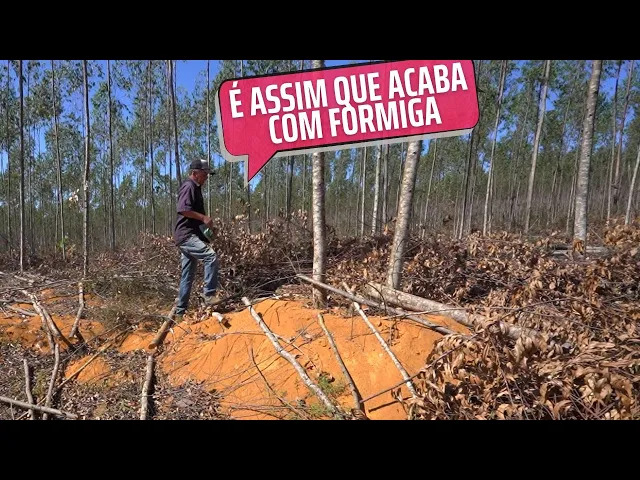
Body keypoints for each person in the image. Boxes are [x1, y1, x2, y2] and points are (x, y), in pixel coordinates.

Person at [173, 159, 223, 321]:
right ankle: (209, 295)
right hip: (186, 236)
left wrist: (207, 231)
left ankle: (180, 313)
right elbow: (183, 209)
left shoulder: (196, 188)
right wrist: (203, 217)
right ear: (195, 173)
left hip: (188, 235)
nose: (206, 177)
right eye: (204, 174)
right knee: (211, 257)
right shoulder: (189, 186)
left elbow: (192, 216)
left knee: (187, 275)